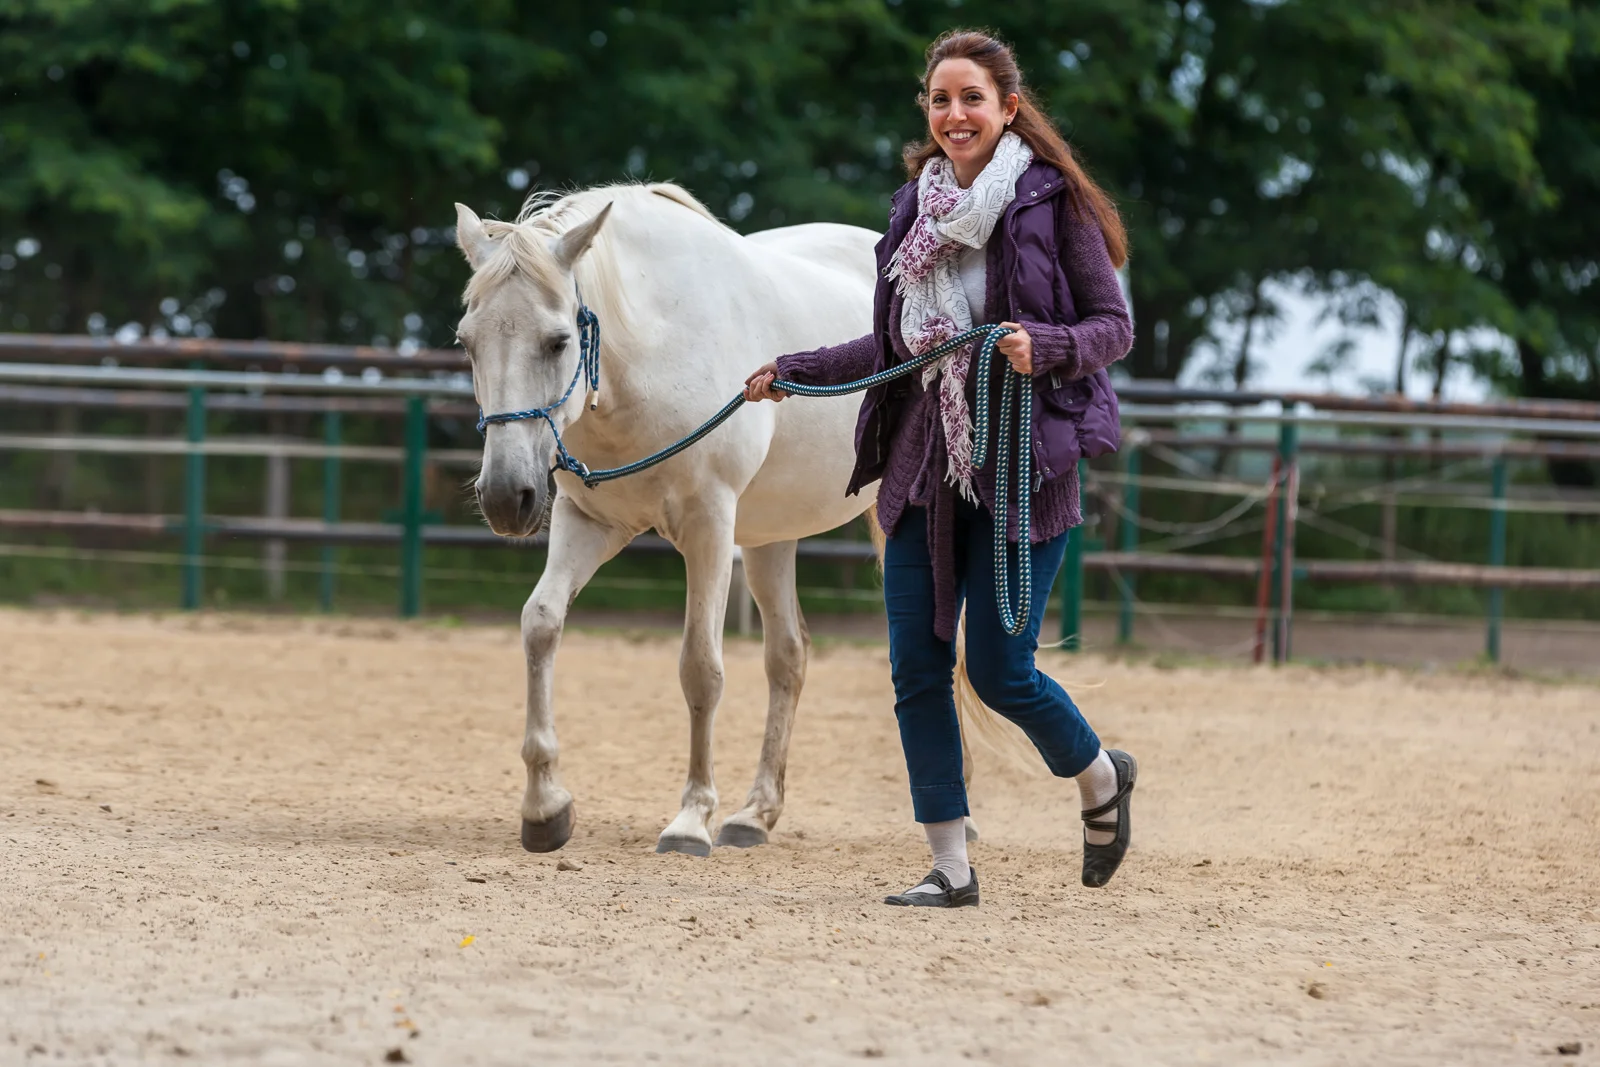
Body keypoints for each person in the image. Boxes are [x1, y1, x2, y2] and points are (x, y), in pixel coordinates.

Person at [744, 29, 1136, 908]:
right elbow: (890, 345)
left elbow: (1114, 327)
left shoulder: (1052, 204)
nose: (955, 115)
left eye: (972, 99)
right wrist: (795, 369)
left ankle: (1102, 776)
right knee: (917, 669)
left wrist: (1050, 345)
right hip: (924, 464)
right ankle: (950, 866)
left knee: (1000, 671)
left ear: (1008, 108)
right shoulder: (910, 213)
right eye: (940, 100)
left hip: (1025, 466)